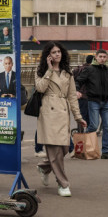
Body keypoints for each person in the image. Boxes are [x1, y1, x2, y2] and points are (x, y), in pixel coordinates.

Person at [35, 42, 86, 197]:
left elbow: (72, 96)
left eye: (59, 51)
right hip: (49, 112)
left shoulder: (67, 73)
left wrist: (78, 117)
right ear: (48, 55)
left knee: (64, 148)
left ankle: (44, 167)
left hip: (63, 112)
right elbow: (40, 88)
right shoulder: (41, 71)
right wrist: (49, 70)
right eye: (54, 52)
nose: (57, 54)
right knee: (56, 152)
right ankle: (63, 184)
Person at [75, 49, 108, 160]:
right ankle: (82, 144)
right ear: (96, 57)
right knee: (93, 126)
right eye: (100, 56)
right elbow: (78, 80)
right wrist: (77, 90)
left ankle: (106, 151)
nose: (102, 58)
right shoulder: (89, 70)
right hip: (93, 101)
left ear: (107, 58)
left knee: (107, 127)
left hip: (106, 101)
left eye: (104, 56)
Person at [72, 55, 94, 128]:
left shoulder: (78, 68)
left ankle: (80, 133)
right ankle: (87, 134)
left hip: (79, 95)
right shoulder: (90, 70)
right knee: (88, 117)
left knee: (81, 116)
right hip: (86, 95)